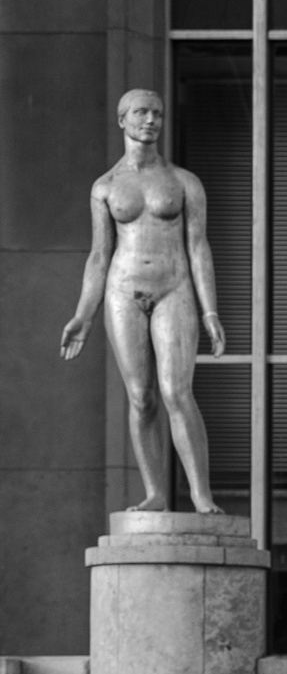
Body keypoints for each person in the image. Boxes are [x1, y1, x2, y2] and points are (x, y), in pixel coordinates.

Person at [60, 89, 225, 513]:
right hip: (123, 290)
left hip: (174, 289)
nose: (151, 120)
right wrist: (84, 314)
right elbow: (99, 254)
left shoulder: (184, 182)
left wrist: (210, 309)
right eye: (141, 112)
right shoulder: (106, 187)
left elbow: (198, 248)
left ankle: (201, 495)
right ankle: (154, 493)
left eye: (157, 113)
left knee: (176, 391)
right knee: (141, 396)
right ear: (122, 120)